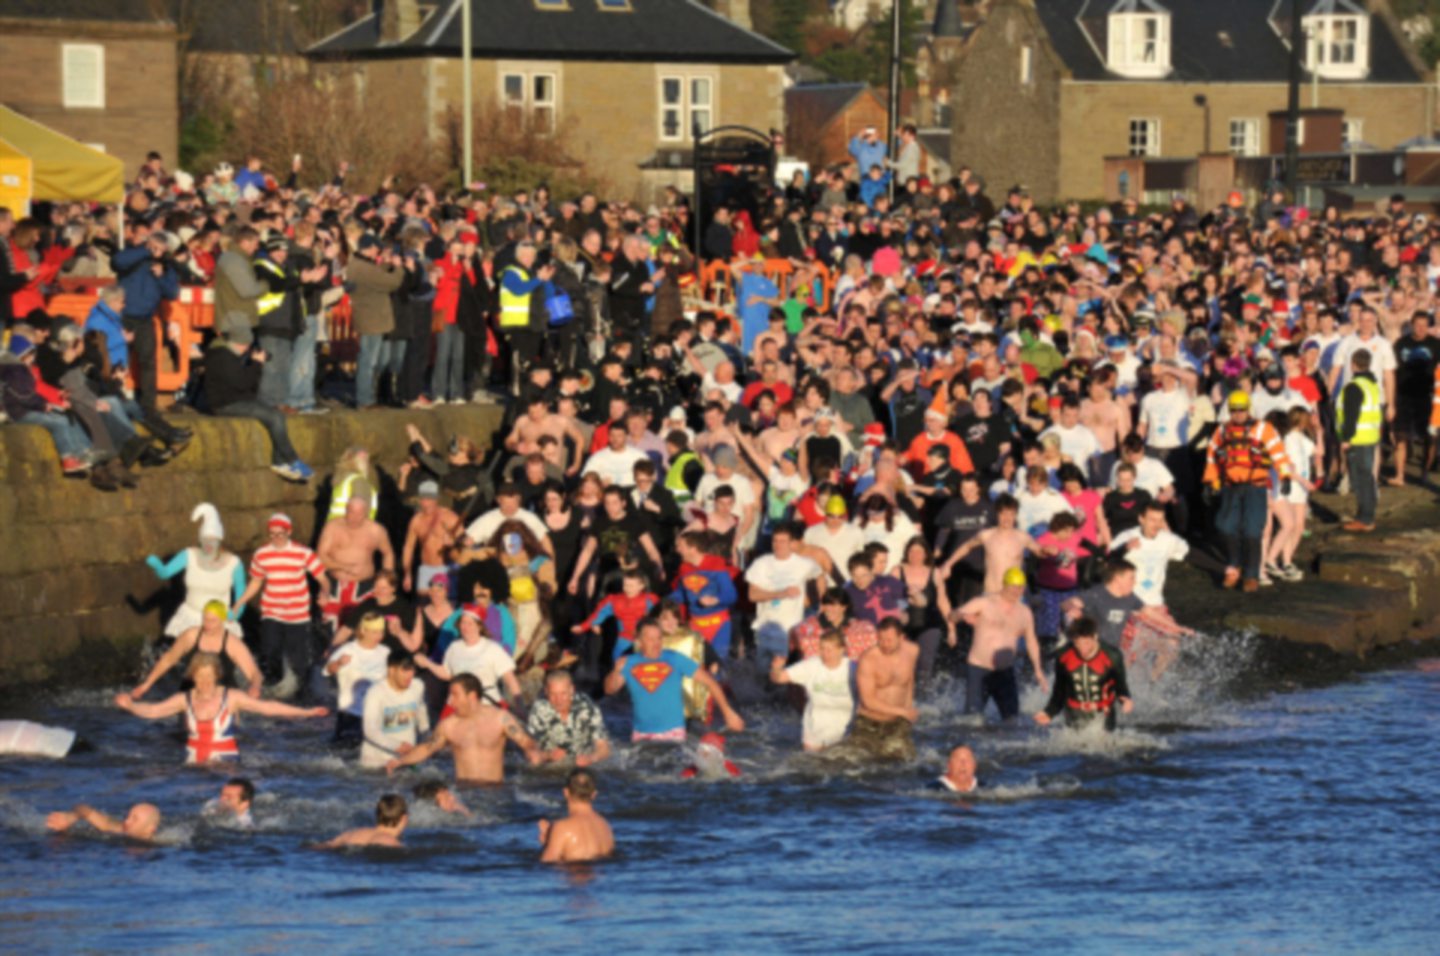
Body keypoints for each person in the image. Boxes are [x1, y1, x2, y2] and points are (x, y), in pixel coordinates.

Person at [115, 653, 327, 763]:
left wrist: (305, 713)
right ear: (193, 676)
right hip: (193, 766)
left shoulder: (231, 697)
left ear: (217, 675)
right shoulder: (184, 699)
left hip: (226, 766)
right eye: (200, 675)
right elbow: (153, 711)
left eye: (209, 675)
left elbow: (267, 708)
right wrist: (131, 706)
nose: (205, 681)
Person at [232, 512, 330, 697]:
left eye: (280, 534)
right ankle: (272, 689)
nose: (276, 538)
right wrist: (239, 603)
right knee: (269, 653)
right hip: (271, 612)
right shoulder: (262, 554)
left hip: (298, 614)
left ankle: (301, 694)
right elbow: (256, 582)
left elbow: (323, 578)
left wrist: (324, 592)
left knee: (299, 660)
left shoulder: (303, 553)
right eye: (272, 534)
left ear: (289, 532)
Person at [1203, 390, 1293, 591]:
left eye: (1241, 410)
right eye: (1234, 410)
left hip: (1256, 487)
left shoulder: (1264, 429)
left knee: (1253, 530)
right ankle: (1234, 565)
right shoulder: (1222, 431)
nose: (1238, 414)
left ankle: (1251, 574)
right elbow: (1212, 457)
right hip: (1230, 487)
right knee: (1225, 526)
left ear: (1248, 409)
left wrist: (1285, 476)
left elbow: (1279, 454)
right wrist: (1209, 482)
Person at [603, 618, 744, 742]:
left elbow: (710, 682)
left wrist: (728, 712)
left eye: (659, 638)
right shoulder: (629, 662)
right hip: (642, 736)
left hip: (674, 735)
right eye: (651, 639)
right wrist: (615, 671)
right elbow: (609, 690)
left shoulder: (674, 658)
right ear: (639, 642)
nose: (656, 643)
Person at [385, 673, 542, 784]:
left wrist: (532, 750)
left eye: (455, 695)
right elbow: (427, 748)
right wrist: (401, 761)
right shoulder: (449, 725)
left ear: (472, 696)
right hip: (464, 792)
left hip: (495, 792)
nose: (451, 701)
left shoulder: (500, 718)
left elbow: (525, 741)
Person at [201, 335, 314, 481]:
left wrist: (252, 363)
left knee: (276, 415)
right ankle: (291, 459)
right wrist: (256, 363)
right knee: (275, 417)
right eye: (245, 344)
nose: (247, 348)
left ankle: (280, 461)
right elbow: (243, 383)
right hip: (226, 405)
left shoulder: (224, 353)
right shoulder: (223, 357)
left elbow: (245, 386)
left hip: (235, 400)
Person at [953, 568, 1050, 721]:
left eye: (1020, 588)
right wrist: (962, 615)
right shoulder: (984, 602)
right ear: (1004, 585)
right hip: (979, 669)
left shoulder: (1024, 612)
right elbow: (953, 615)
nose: (1016, 591)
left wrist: (1038, 670)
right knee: (971, 721)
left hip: (1005, 672)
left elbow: (1032, 641)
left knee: (1012, 720)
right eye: (1013, 587)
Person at [145, 502, 246, 640]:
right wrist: (158, 566)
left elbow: (242, 596)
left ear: (220, 540)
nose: (209, 544)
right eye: (205, 539)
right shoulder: (189, 555)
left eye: (213, 539)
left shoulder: (234, 563)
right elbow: (165, 573)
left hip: (218, 620)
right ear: (199, 539)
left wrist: (235, 613)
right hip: (191, 618)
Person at [129, 599, 263, 699]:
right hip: (192, 692)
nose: (208, 624)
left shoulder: (232, 643)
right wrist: (146, 685)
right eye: (205, 619)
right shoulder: (191, 636)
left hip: (224, 695)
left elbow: (254, 673)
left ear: (223, 620)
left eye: (213, 621)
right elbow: (168, 660)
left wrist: (255, 687)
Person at [1036, 617, 1133, 732]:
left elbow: (1121, 686)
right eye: (1078, 643)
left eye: (1087, 643)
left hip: (1104, 714)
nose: (1083, 649)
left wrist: (1125, 700)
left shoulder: (1113, 656)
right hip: (1074, 713)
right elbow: (1059, 691)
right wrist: (1048, 713)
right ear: (1072, 640)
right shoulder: (1063, 656)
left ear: (1095, 637)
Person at [846, 618, 920, 761]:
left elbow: (909, 679)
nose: (884, 644)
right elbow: (868, 701)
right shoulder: (868, 660)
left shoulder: (912, 651)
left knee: (904, 763)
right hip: (870, 721)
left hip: (898, 721)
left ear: (901, 638)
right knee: (860, 765)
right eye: (880, 639)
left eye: (889, 640)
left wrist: (908, 706)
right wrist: (903, 711)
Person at [769, 630, 854, 751]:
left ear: (841, 650)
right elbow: (779, 678)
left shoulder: (853, 668)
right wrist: (776, 668)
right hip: (814, 733)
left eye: (830, 650)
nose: (825, 654)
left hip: (844, 733)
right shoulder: (812, 665)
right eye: (822, 649)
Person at [526, 669, 612, 767]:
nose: (558, 700)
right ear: (546, 692)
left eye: (563, 694)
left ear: (572, 690)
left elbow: (604, 749)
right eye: (553, 694)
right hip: (550, 764)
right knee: (534, 761)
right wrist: (548, 755)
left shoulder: (587, 707)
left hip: (583, 763)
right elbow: (530, 750)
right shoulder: (539, 709)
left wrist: (591, 758)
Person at [1336, 348, 1381, 533]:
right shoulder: (1372, 385)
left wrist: (1346, 438)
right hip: (1370, 437)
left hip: (1357, 439)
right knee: (1367, 478)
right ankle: (1367, 514)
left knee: (1360, 479)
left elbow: (1351, 415)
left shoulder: (1354, 387)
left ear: (1353, 364)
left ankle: (1365, 518)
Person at [361, 654, 430, 770]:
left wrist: (427, 738)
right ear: (392, 670)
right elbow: (370, 730)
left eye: (412, 670)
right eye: (405, 670)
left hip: (405, 760)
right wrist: (396, 746)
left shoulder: (418, 686)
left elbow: (421, 712)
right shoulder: (375, 693)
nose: (410, 675)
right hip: (376, 764)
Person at [538, 768, 615, 864]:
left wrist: (547, 843)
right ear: (594, 794)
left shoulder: (562, 828)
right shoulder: (605, 826)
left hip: (573, 876)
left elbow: (546, 864)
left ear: (565, 792)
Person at [402, 481, 462, 593]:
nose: (426, 503)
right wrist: (407, 573)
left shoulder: (449, 517)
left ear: (437, 499)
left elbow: (465, 544)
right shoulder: (416, 520)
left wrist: (453, 543)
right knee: (423, 606)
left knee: (445, 605)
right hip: (426, 569)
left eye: (430, 499)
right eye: (423, 499)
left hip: (446, 569)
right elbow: (408, 548)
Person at [318, 794, 408, 849]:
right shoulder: (392, 843)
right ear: (404, 818)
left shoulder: (352, 834)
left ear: (377, 815)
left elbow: (325, 846)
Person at [47, 802, 161, 843]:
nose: (126, 821)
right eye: (128, 816)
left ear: (150, 829)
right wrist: (70, 817)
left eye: (134, 819)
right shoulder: (118, 829)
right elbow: (84, 809)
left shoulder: (161, 844)